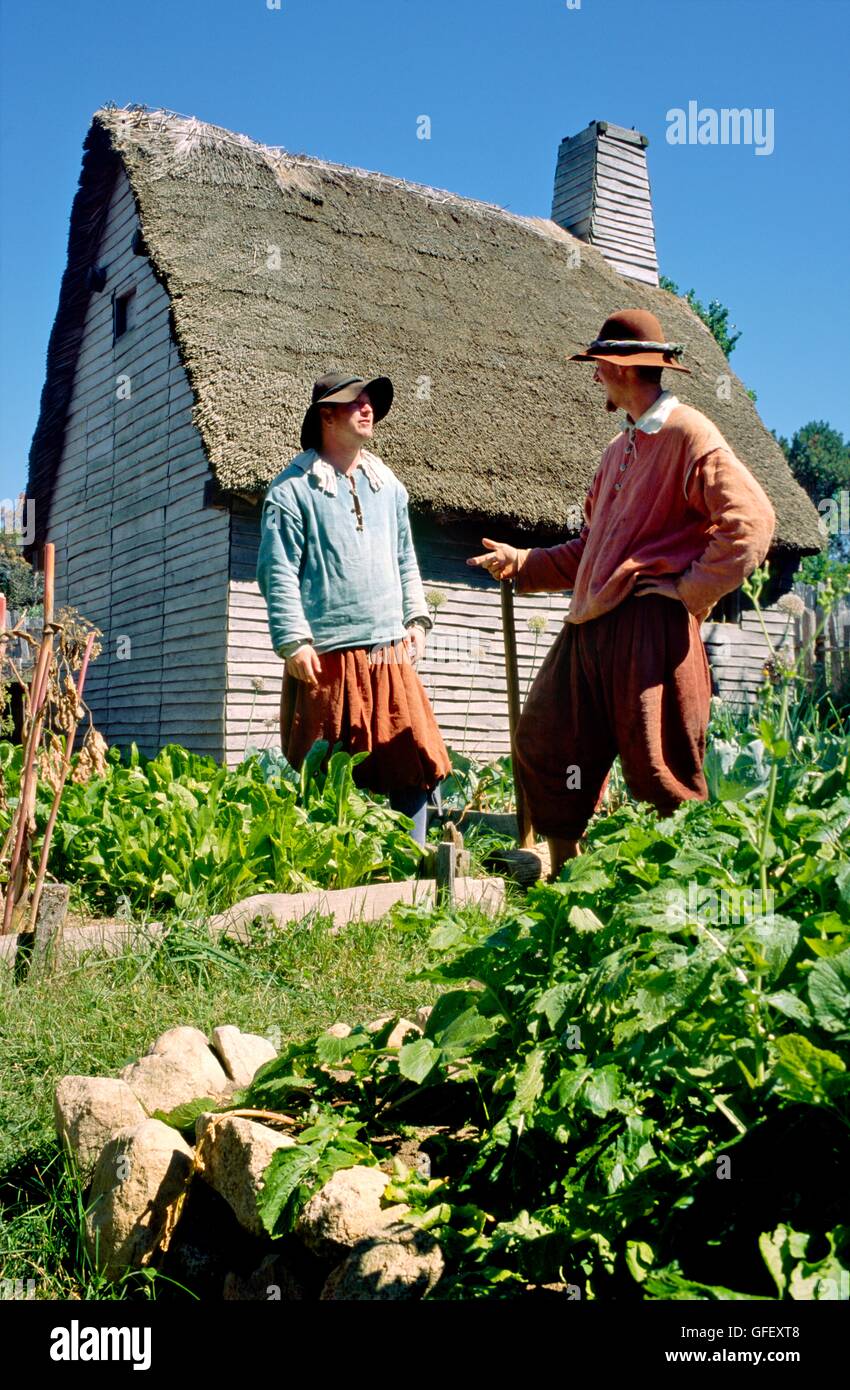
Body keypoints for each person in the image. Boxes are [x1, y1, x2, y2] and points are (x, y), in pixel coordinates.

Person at [467, 308, 776, 878]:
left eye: (600, 368)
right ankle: (567, 875)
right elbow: (590, 551)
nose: (595, 379)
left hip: (648, 629)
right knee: (549, 742)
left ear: (625, 369)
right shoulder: (617, 451)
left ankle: (680, 897)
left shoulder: (690, 433)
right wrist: (524, 562)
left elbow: (751, 522)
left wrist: (688, 590)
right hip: (589, 627)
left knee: (659, 764)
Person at [257, 371, 450, 845]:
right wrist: (293, 640)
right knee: (327, 772)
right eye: (355, 403)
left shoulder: (389, 488)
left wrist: (417, 620)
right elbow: (277, 571)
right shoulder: (291, 492)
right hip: (327, 656)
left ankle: (414, 863)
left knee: (412, 758)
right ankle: (332, 879)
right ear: (326, 415)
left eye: (371, 403)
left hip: (389, 650)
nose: (369, 410)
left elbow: (406, 558)